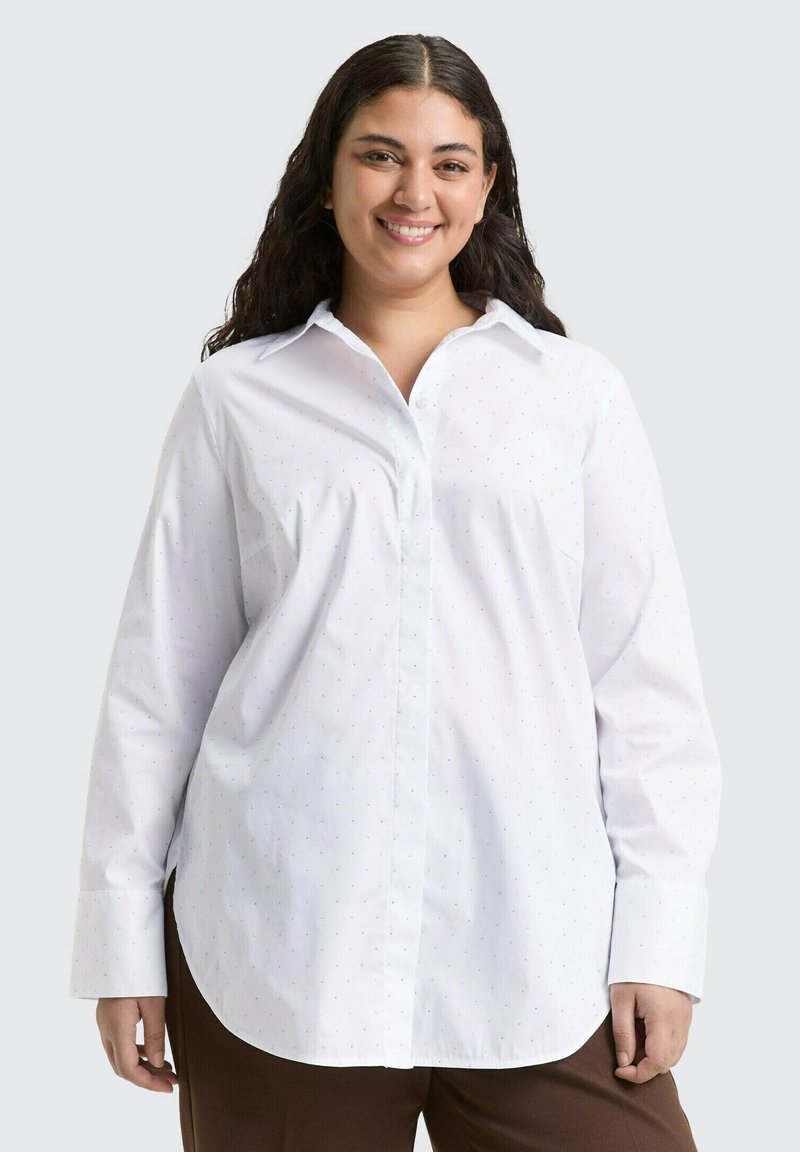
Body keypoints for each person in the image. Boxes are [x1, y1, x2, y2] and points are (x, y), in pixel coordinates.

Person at [70, 32, 721, 1152]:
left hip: (536, 946)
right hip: (281, 948)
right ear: (326, 177)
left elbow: (643, 686)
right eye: (379, 155)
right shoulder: (238, 400)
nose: (414, 192)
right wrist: (121, 941)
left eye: (449, 163)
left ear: (487, 185)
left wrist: (660, 937)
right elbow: (157, 687)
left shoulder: (574, 399)